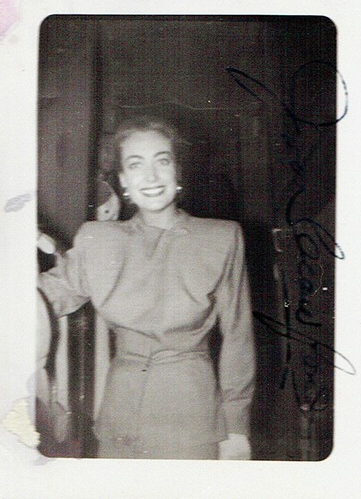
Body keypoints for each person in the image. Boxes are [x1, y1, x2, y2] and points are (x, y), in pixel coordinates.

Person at [37, 116, 255, 460]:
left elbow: (238, 337)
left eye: (162, 161)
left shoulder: (222, 237)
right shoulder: (98, 240)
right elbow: (46, 298)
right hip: (118, 420)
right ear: (123, 181)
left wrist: (237, 428)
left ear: (176, 173)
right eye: (135, 165)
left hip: (193, 421)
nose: (150, 177)